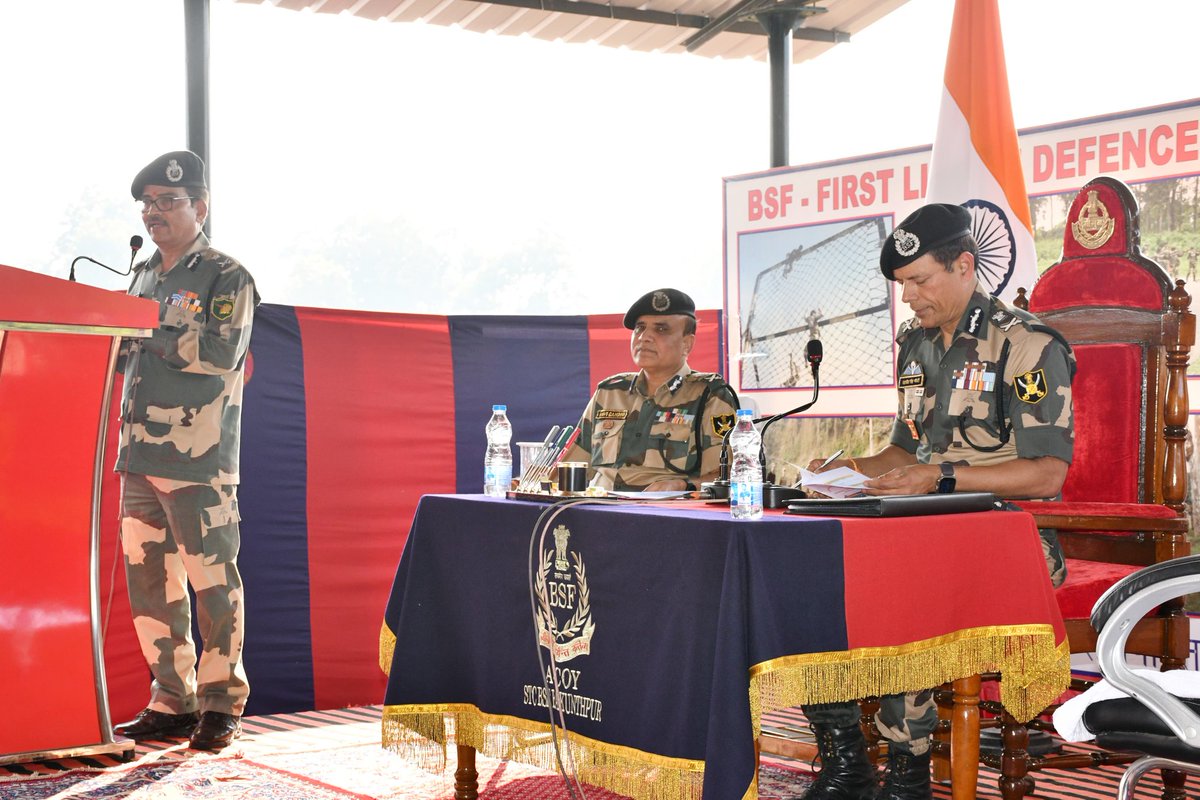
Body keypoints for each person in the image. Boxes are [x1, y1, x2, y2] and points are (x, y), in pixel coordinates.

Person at [800, 203, 1075, 800]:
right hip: (918, 528)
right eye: (902, 285)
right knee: (811, 571)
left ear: (965, 266)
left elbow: (1046, 474)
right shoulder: (915, 344)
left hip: (1011, 537)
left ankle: (909, 772)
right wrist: (848, 470)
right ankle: (846, 760)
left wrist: (941, 477)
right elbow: (903, 451)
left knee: (906, 583)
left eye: (920, 281)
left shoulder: (1025, 343)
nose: (910, 297)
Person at [112, 151, 259, 751]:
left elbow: (221, 354)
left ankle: (222, 704)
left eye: (168, 202)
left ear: (200, 206)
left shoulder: (226, 276)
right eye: (147, 204)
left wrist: (146, 328)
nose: (154, 212)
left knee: (213, 583)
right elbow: (126, 354)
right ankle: (173, 699)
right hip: (138, 456)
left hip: (198, 458)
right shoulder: (144, 274)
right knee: (152, 584)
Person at [560, 288, 738, 491]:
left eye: (661, 329)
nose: (644, 337)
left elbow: (727, 477)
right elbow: (569, 468)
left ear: (687, 344)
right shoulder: (609, 393)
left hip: (667, 508)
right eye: (640, 328)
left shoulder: (710, 396)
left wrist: (682, 485)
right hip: (602, 505)